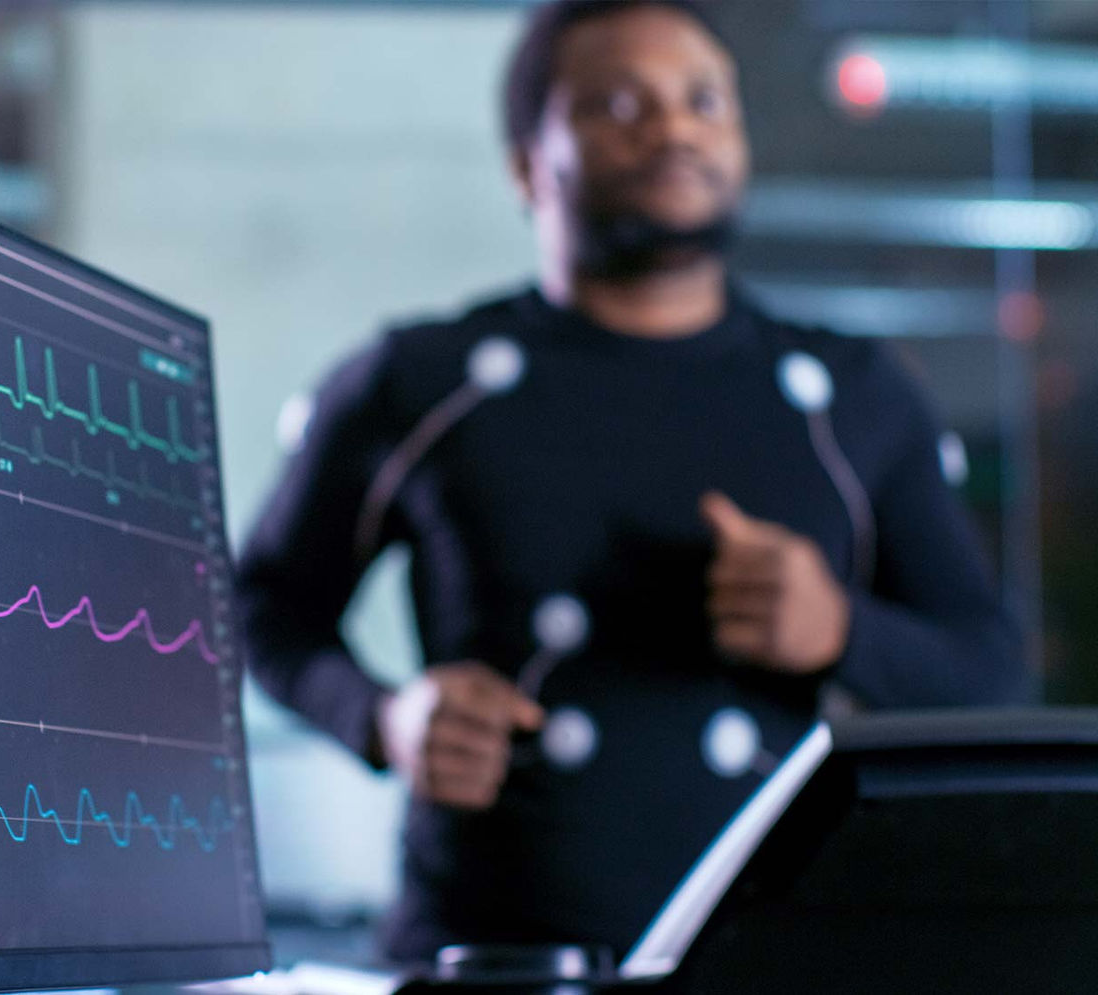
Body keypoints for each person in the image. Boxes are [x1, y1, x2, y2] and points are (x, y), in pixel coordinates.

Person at [234, 0, 1030, 963]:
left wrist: (841, 631)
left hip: (769, 961)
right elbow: (258, 608)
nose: (673, 128)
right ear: (527, 165)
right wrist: (385, 717)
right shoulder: (419, 381)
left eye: (705, 101)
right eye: (618, 104)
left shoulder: (854, 394)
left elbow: (992, 669)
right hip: (481, 960)